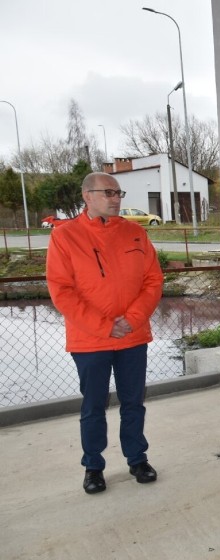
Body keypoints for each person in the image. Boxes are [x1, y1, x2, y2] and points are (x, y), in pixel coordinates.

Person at [46, 172, 164, 495]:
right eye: (108, 192)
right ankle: (93, 466)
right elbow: (62, 291)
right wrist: (105, 326)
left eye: (118, 192)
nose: (116, 198)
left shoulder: (135, 233)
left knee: (133, 402)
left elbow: (153, 280)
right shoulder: (64, 237)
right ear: (87, 196)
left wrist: (133, 318)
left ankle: (137, 458)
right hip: (90, 340)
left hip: (132, 336)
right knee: (94, 405)